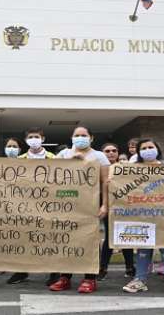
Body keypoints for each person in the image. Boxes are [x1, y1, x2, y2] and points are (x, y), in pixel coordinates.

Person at [49, 126, 110, 294]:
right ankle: (65, 277)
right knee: (66, 239)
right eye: (77, 135)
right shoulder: (63, 155)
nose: (80, 138)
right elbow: (53, 177)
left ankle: (89, 278)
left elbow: (105, 182)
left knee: (89, 240)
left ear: (91, 138)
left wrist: (104, 204)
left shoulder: (99, 156)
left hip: (90, 204)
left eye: (84, 135)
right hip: (66, 203)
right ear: (71, 137)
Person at [122, 139, 164, 295]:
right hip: (141, 215)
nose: (147, 150)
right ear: (139, 152)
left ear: (157, 149)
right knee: (143, 248)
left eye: (151, 147)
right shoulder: (132, 169)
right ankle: (140, 280)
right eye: (144, 148)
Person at [7, 128, 58, 286]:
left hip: (48, 204)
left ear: (43, 138)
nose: (34, 139)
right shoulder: (20, 159)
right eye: (31, 137)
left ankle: (54, 273)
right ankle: (21, 271)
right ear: (26, 140)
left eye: (37, 137)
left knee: (50, 239)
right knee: (23, 238)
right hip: (24, 205)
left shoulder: (53, 158)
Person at [99, 142, 135, 280]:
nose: (111, 153)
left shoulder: (125, 168)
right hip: (106, 206)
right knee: (109, 236)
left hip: (124, 207)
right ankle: (103, 268)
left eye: (114, 150)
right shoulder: (99, 168)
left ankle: (130, 267)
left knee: (126, 235)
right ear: (102, 153)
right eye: (107, 151)